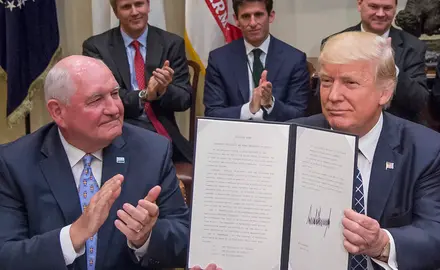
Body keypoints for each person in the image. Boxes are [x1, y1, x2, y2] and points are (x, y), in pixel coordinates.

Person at [0, 55, 189, 269]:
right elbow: (6, 256)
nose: (114, 109)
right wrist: (75, 234)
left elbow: (184, 242)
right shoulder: (15, 162)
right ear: (58, 111)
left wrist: (145, 239)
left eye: (115, 94)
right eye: (96, 100)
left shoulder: (152, 151)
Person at [294, 31, 440, 269]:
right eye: (327, 81)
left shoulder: (425, 150)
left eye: (350, 83)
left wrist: (382, 244)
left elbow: (434, 233)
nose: (333, 96)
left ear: (385, 92)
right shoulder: (294, 138)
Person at [83, 0, 193, 163]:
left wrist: (162, 91)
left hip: (160, 129)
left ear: (148, 6)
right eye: (126, 7)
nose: (135, 12)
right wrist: (145, 95)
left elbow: (184, 99)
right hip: (117, 128)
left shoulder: (171, 44)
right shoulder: (96, 47)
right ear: (116, 12)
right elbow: (101, 98)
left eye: (139, 4)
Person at [321, 0, 429, 124]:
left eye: (387, 8)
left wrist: (391, 67)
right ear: (359, 4)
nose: (380, 14)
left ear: (395, 8)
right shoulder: (334, 43)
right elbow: (325, 93)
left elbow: (420, 101)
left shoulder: (413, 46)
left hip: (396, 129)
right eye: (373, 6)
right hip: (345, 126)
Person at [203, 0, 310, 122]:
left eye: (258, 15)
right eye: (245, 16)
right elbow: (212, 113)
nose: (253, 23)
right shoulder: (219, 59)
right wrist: (248, 109)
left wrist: (271, 104)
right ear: (236, 20)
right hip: (234, 135)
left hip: (277, 135)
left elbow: (299, 114)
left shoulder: (294, 59)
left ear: (271, 16)